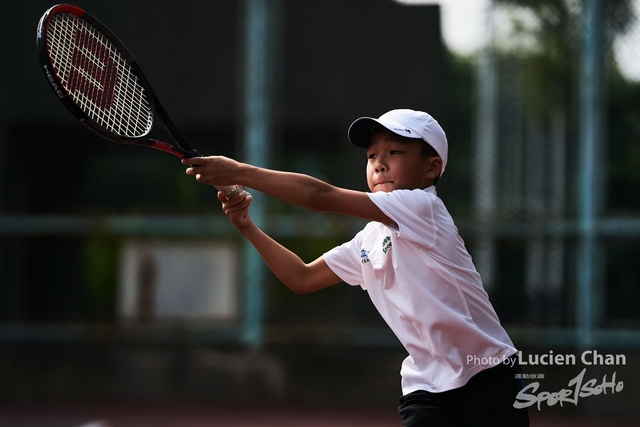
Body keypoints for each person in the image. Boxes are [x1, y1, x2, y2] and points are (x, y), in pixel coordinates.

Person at [183, 109, 529, 426]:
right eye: (371, 155)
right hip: (427, 386)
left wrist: (239, 171)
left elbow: (320, 197)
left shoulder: (424, 208)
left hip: (489, 378)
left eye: (394, 152)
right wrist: (246, 225)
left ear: (431, 167)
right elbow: (301, 278)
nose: (379, 164)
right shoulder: (368, 240)